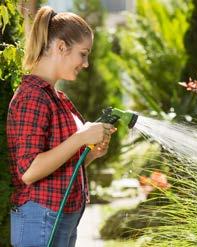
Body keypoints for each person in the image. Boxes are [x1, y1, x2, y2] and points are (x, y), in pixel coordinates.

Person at [6, 6, 116, 247]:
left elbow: (60, 166)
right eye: (83, 53)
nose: (86, 63)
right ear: (60, 47)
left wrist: (91, 154)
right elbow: (29, 171)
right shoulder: (32, 97)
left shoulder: (57, 98)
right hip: (40, 217)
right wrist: (79, 138)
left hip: (58, 215)